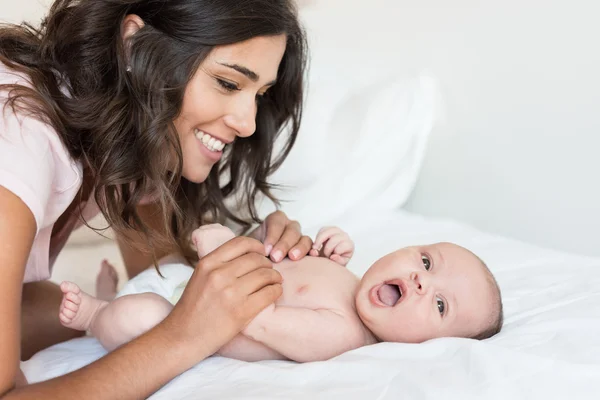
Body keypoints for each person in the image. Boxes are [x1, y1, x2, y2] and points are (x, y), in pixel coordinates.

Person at [0, 0, 312, 398]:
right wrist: (183, 337)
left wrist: (257, 257)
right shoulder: (18, 138)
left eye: (260, 94)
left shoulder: (126, 133)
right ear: (134, 44)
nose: (248, 123)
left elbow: (161, 280)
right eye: (229, 84)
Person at [57, 224, 504, 363]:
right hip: (187, 280)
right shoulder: (348, 285)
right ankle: (115, 291)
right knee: (161, 276)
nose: (423, 280)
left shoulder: (343, 335)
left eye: (440, 305)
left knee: (135, 319)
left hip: (183, 315)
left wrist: (225, 251)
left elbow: (254, 315)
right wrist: (325, 255)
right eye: (425, 261)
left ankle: (95, 316)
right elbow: (287, 264)